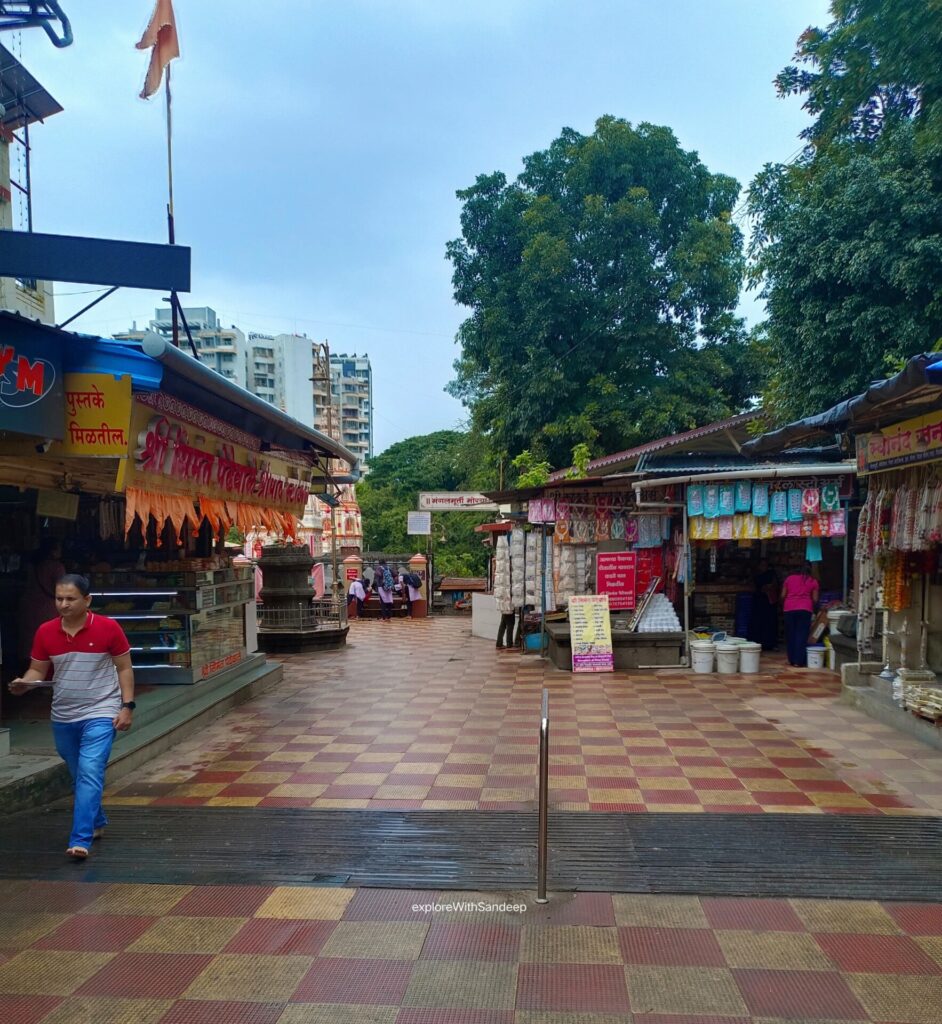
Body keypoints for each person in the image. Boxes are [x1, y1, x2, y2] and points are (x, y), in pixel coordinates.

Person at [8, 574, 135, 859]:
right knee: (78, 771)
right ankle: (97, 820)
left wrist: (127, 706)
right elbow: (38, 670)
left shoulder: (108, 628)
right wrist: (25, 684)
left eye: (70, 599)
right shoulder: (45, 632)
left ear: (87, 600)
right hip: (63, 714)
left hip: (102, 710)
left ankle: (81, 839)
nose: (63, 604)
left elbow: (124, 668)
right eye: (59, 598)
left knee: (90, 770)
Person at [18, 538, 66, 667]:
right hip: (48, 610)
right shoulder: (57, 567)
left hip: (29, 607)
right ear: (53, 551)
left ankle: (32, 676)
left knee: (31, 643)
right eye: (59, 548)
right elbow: (62, 590)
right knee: (50, 641)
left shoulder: (33, 566)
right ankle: (47, 677)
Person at [780, 562, 820, 667]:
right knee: (801, 635)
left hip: (789, 608)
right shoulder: (813, 581)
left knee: (790, 634)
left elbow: (783, 595)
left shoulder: (789, 579)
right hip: (805, 609)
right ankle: (798, 661)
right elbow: (815, 599)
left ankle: (790, 659)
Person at [748, 558, 780, 651]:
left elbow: (776, 585)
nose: (763, 567)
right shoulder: (755, 575)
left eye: (765, 565)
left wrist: (769, 587)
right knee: (757, 622)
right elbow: (751, 586)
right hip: (758, 601)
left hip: (769, 602)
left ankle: (769, 643)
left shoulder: (771, 574)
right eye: (762, 565)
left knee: (769, 622)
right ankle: (757, 642)